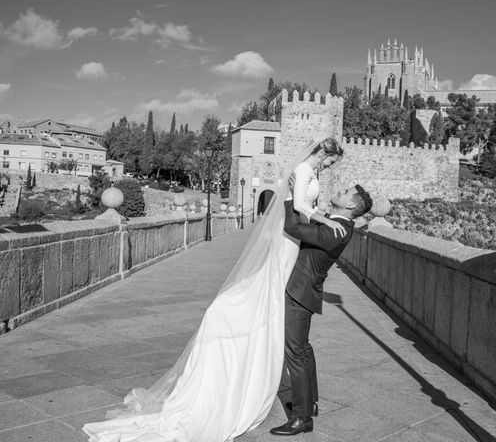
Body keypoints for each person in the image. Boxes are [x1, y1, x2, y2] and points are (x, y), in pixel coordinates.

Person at [83, 137, 344, 442]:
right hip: (289, 241)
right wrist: (327, 220)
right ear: (325, 153)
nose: (330, 167)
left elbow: (302, 207)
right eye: (331, 161)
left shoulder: (310, 172)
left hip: (294, 242)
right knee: (263, 293)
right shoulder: (303, 167)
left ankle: (276, 370)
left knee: (272, 299)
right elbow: (299, 206)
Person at [270, 185, 373, 436]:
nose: (340, 190)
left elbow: (292, 228)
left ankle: (302, 418)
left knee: (295, 353)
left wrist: (293, 195)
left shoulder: (337, 230)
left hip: (300, 292)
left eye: (346, 191)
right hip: (303, 290)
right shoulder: (335, 224)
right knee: (303, 349)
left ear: (350, 206)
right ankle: (309, 402)